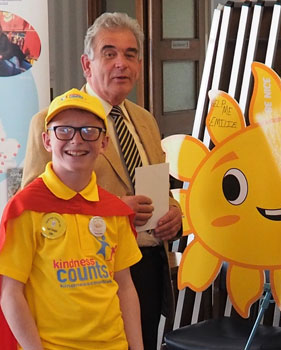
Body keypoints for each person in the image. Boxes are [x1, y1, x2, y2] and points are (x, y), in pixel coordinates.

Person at [18, 13, 181, 350]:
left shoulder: (145, 120)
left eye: (130, 54)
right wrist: (112, 211)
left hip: (147, 268)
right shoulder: (51, 124)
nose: (121, 63)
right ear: (86, 64)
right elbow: (35, 203)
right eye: (109, 53)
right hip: (83, 277)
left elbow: (159, 188)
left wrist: (174, 213)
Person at [0, 89, 144, 350]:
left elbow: (124, 286)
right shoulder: (26, 208)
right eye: (64, 131)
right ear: (46, 140)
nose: (76, 140)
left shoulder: (113, 210)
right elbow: (10, 293)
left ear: (104, 143)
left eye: (89, 131)